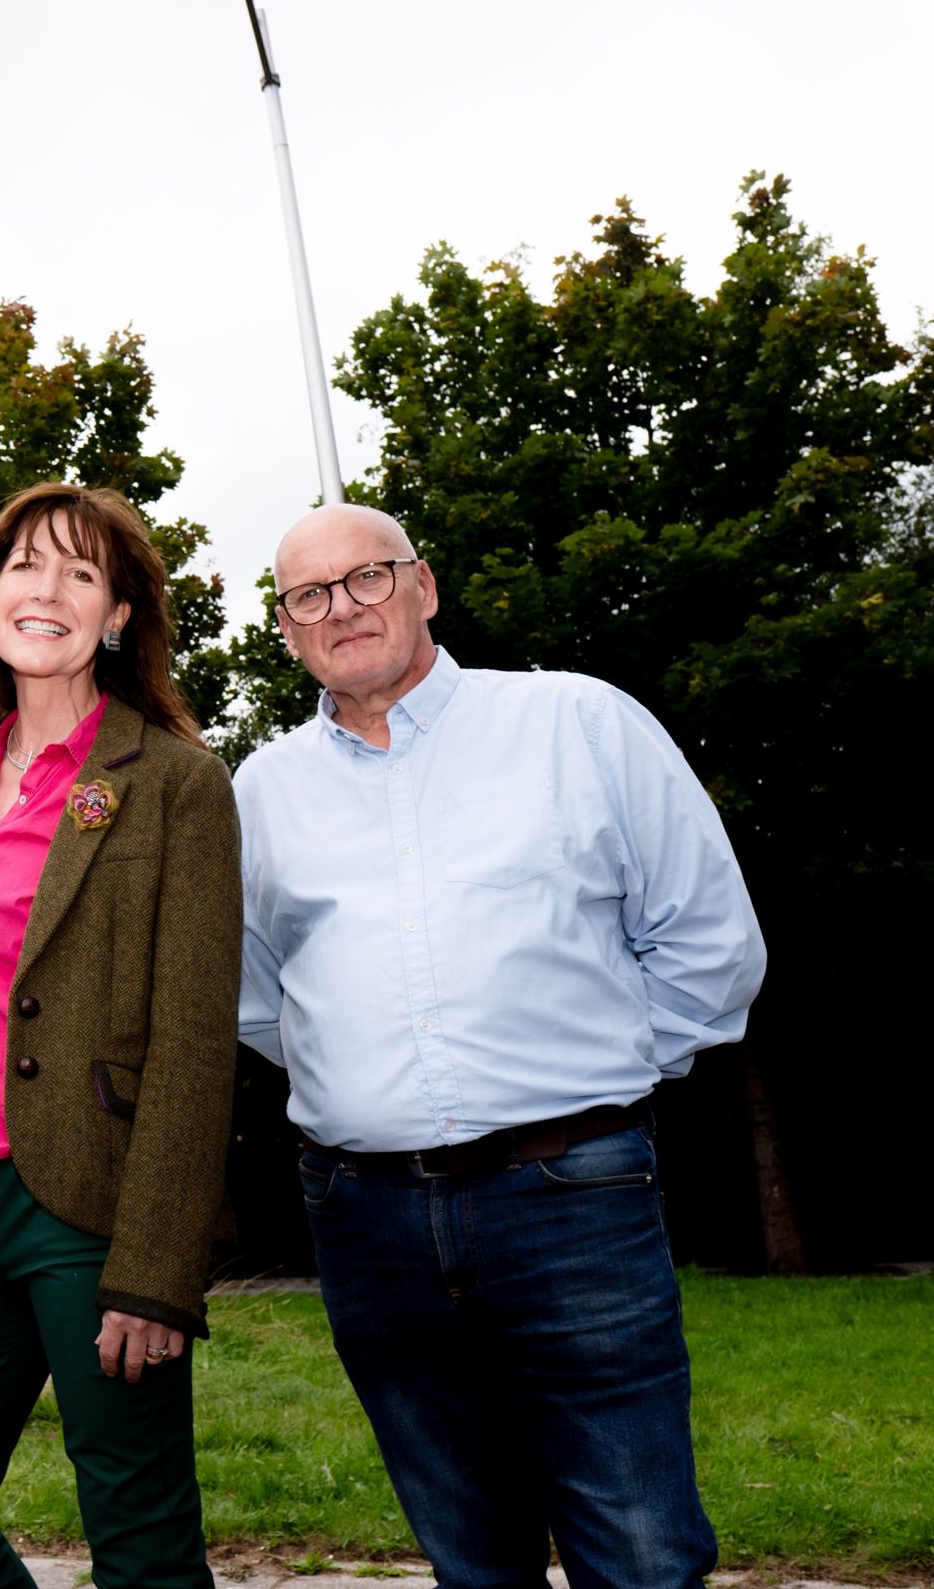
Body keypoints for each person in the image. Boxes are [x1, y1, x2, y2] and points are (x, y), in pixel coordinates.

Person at [235, 503, 767, 1588]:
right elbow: (256, 1001)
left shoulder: (578, 723)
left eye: (368, 577)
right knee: (471, 1560)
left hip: (573, 1197)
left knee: (642, 1552)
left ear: (425, 586)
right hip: (366, 1221)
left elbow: (709, 943)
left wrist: (595, 1078)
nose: (343, 608)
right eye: (309, 595)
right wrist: (374, 1088)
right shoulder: (261, 792)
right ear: (286, 630)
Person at [0, 484, 240, 1588]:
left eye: (81, 573)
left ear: (118, 614)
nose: (47, 589)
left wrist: (158, 1270)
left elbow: (192, 1040)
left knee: (140, 1533)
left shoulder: (175, 781)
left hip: (101, 1207)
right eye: (25, 564)